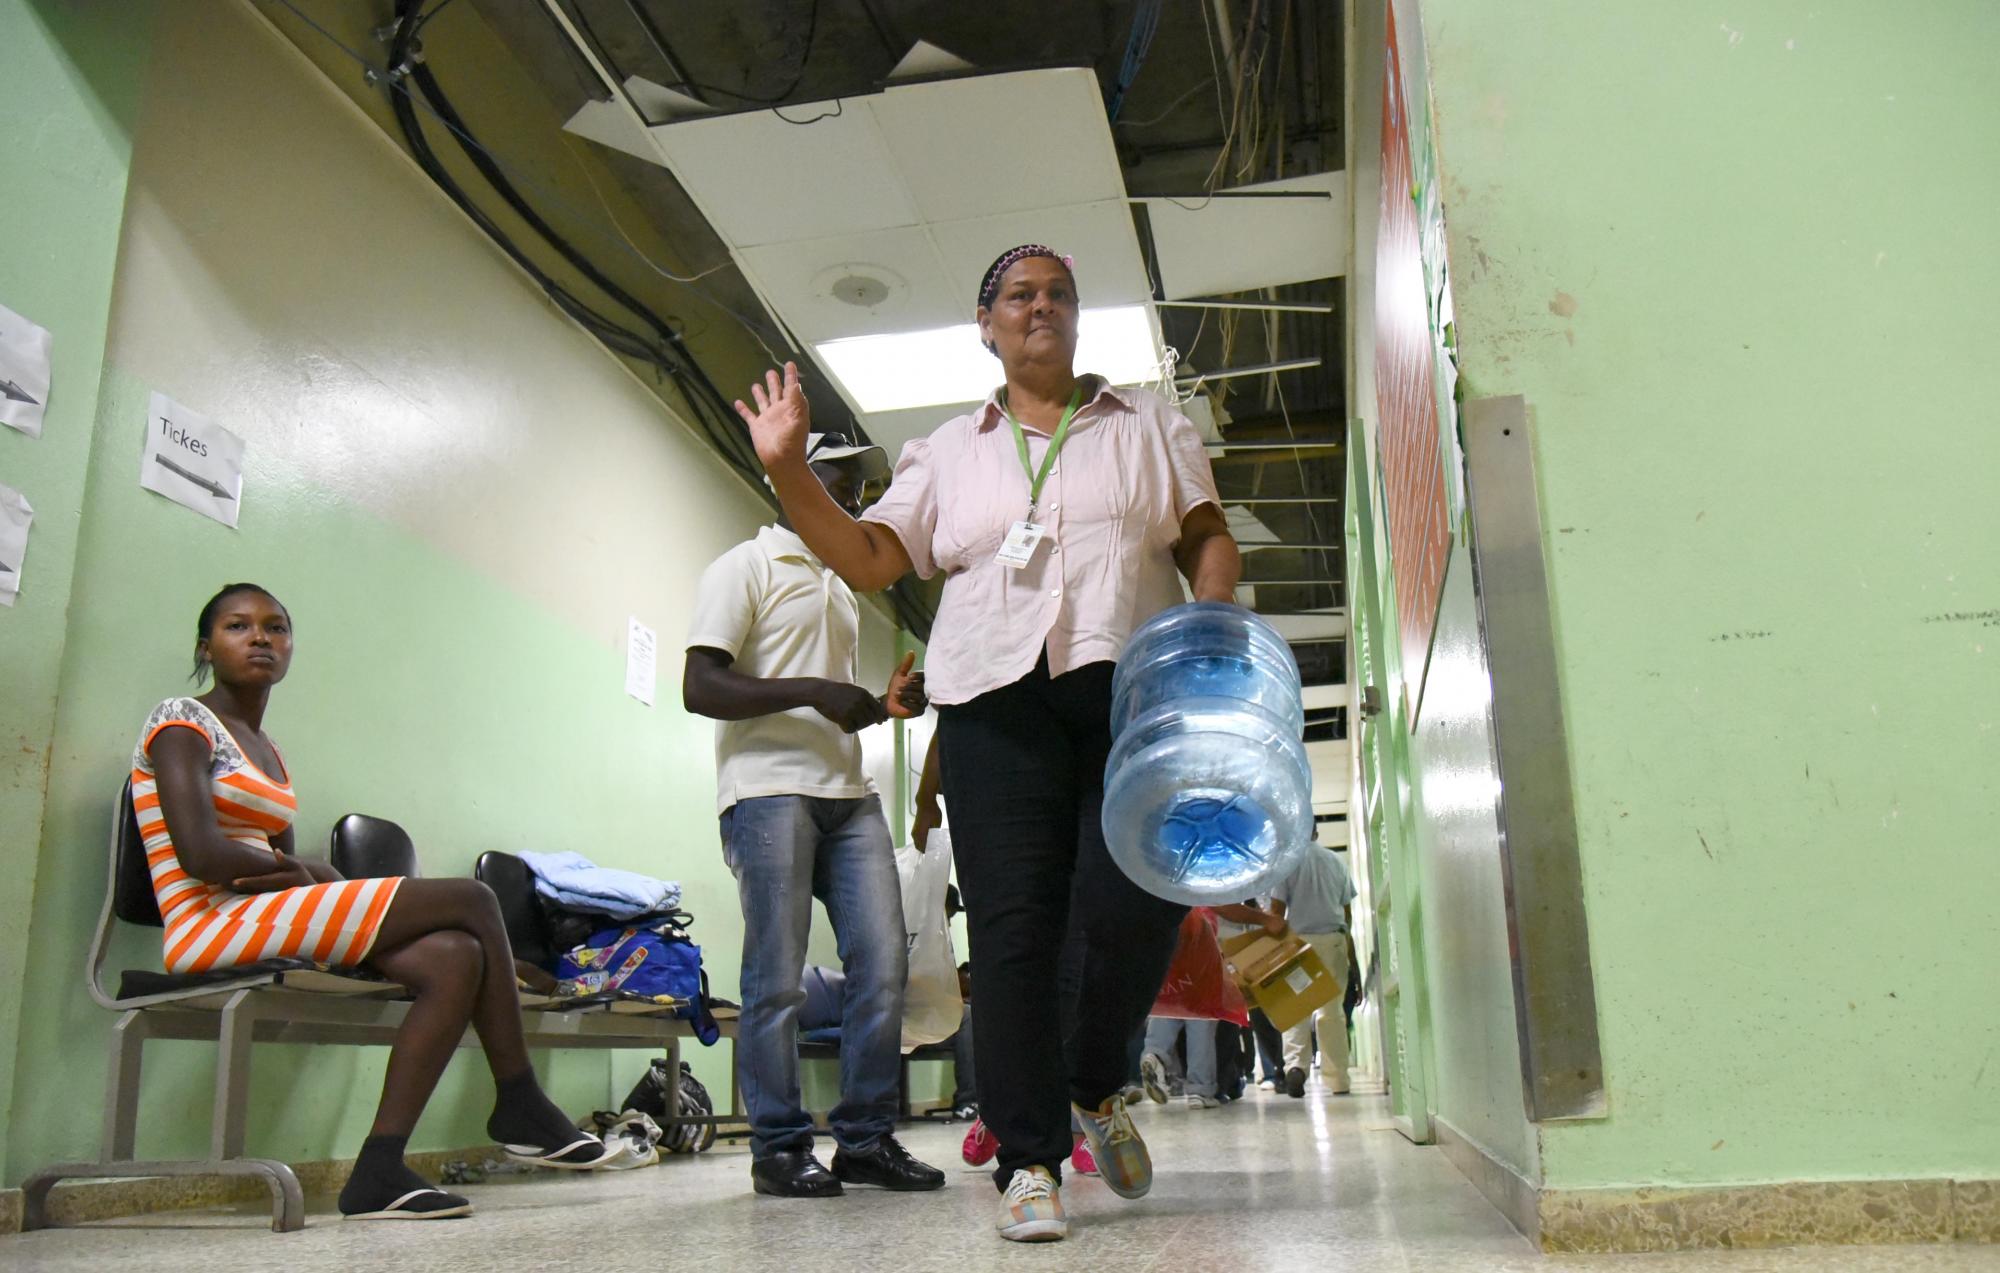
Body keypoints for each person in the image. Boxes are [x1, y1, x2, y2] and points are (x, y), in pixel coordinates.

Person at [732, 243, 1242, 1243]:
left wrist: (1211, 616)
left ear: (1076, 317)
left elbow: (1203, 535)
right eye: (1018, 295)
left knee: (1136, 905)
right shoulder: (943, 451)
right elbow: (871, 558)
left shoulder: (1149, 423)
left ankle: (1094, 1080)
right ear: (986, 323)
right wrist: (788, 469)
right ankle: (1029, 1159)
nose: (1039, 306)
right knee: (1014, 935)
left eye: (1058, 293)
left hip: (1126, 691)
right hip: (992, 705)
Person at [134, 584, 610, 1222]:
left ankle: (378, 1170)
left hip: (256, 914)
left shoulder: (268, 753)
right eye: (237, 626)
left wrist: (300, 872)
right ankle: (519, 1097)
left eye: (276, 627)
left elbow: (287, 872)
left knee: (456, 956)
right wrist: (293, 869)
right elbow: (200, 854)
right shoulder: (180, 722)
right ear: (205, 647)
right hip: (205, 923)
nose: (260, 638)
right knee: (472, 897)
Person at [683, 434, 945, 1200]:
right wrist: (812, 691)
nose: (850, 502)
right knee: (776, 977)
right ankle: (778, 1146)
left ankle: (864, 1139)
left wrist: (879, 706)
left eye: (858, 493)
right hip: (768, 790)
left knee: (885, 963)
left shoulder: (842, 583)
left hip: (848, 794)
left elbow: (830, 700)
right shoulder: (746, 566)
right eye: (837, 483)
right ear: (792, 481)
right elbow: (700, 685)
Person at [1270, 836, 1358, 1097]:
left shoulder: (1287, 863)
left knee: (1296, 1008)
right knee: (1332, 1012)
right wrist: (1348, 952)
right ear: (1317, 834)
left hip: (1298, 943)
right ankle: (1338, 1079)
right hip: (1332, 940)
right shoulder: (1337, 862)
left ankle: (1296, 1067)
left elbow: (1276, 913)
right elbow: (1347, 913)